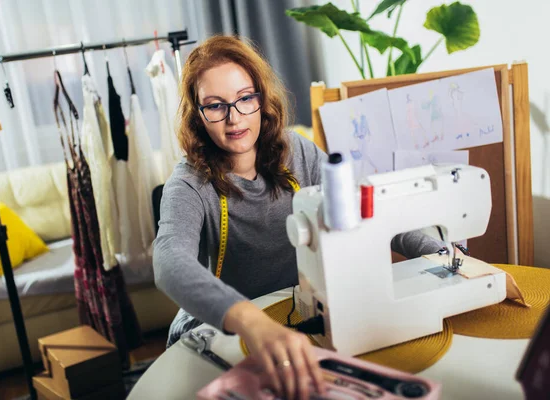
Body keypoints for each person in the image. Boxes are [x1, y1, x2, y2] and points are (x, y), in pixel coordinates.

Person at [153, 35, 444, 400]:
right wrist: (249, 320)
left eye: (245, 98)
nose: (235, 118)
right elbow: (168, 261)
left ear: (261, 97)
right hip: (225, 329)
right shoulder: (190, 184)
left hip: (297, 314)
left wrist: (443, 256)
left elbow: (368, 207)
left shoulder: (298, 152)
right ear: (197, 114)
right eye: (215, 106)